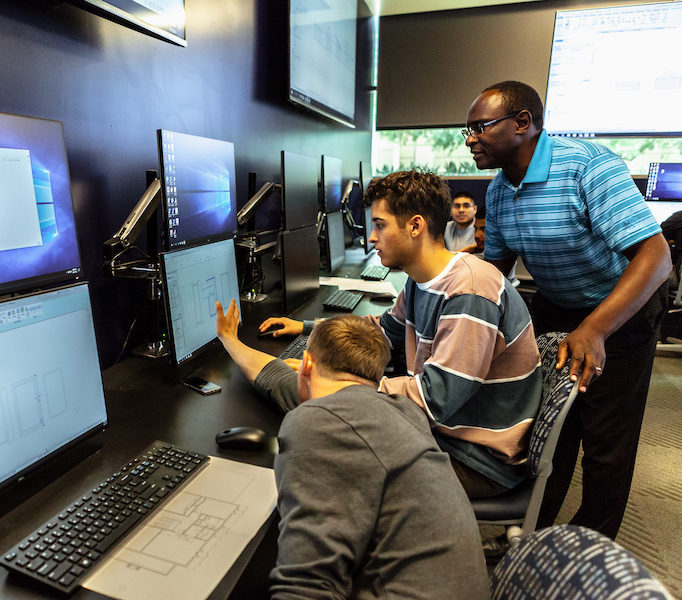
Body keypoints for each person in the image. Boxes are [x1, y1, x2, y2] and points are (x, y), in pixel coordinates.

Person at [464, 80, 672, 539]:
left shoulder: (586, 167)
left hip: (623, 307)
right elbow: (496, 271)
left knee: (605, 436)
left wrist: (596, 329)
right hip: (559, 304)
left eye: (481, 126)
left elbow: (656, 256)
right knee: (552, 423)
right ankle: (537, 524)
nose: (470, 138)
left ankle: (590, 543)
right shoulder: (499, 191)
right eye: (467, 129)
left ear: (523, 124)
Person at [261, 169, 542, 499]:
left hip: (476, 459)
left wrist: (343, 387)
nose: (371, 237)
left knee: (328, 459)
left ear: (415, 226)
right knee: (325, 428)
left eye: (379, 225)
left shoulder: (470, 291)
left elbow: (435, 399)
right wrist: (309, 328)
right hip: (445, 434)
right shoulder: (421, 280)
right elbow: (385, 330)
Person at [215, 306, 490, 599]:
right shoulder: (397, 410)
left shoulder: (318, 423)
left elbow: (308, 586)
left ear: (305, 364)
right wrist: (229, 339)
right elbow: (278, 378)